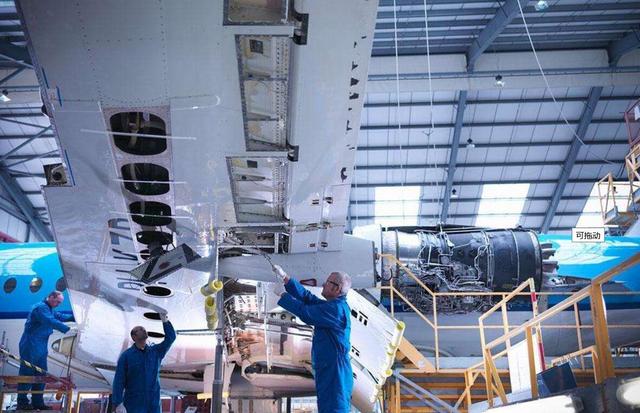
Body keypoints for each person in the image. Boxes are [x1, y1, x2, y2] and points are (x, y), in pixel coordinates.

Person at [273, 265, 353, 413]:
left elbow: (306, 313)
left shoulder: (336, 310)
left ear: (337, 288)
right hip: (331, 367)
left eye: (327, 282)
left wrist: (283, 296)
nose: (323, 284)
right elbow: (308, 299)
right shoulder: (333, 305)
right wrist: (286, 278)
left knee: (335, 408)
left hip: (335, 370)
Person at [17, 290, 75, 410]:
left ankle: (38, 402)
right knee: (27, 373)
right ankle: (22, 402)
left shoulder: (49, 309)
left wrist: (75, 317)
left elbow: (60, 316)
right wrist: (68, 329)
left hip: (41, 346)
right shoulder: (41, 308)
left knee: (41, 374)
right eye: (57, 301)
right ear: (51, 297)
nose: (58, 304)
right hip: (30, 344)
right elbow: (50, 321)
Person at [112, 314, 176, 413]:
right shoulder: (126, 356)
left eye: (144, 338)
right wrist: (118, 403)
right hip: (134, 404)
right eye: (140, 330)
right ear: (134, 337)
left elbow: (171, 338)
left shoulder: (156, 352)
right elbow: (119, 380)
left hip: (153, 403)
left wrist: (165, 321)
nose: (143, 330)